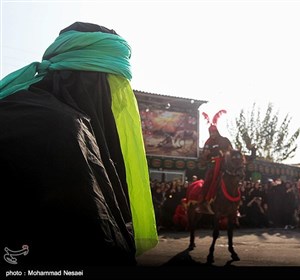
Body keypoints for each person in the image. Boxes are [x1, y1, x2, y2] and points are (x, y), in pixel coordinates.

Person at [0, 22, 158, 265]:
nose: (116, 102)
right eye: (113, 88)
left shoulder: (16, 103)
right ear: (96, 81)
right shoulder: (65, 128)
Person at [195, 110, 233, 214]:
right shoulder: (208, 142)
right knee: (208, 180)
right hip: (213, 165)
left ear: (217, 131)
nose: (212, 134)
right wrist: (205, 155)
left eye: (214, 132)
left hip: (225, 164)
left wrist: (225, 153)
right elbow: (203, 158)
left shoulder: (225, 140)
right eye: (210, 132)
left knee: (234, 178)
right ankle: (202, 202)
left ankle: (236, 204)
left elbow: (231, 151)